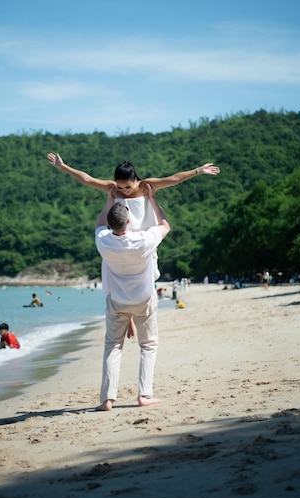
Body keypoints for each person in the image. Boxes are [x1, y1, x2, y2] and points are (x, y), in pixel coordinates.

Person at [47, 152, 220, 335]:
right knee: (121, 278)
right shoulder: (114, 189)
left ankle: (136, 315)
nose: (125, 190)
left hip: (144, 241)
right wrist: (63, 167)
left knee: (149, 276)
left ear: (135, 179)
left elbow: (174, 179)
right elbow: (88, 180)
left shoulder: (147, 186)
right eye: (121, 187)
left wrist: (198, 171)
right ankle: (128, 317)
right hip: (122, 240)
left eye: (127, 186)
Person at [95, 182, 171, 411]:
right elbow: (165, 225)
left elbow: (99, 223)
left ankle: (108, 399)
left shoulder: (103, 240)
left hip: (117, 301)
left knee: (112, 347)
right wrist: (153, 199)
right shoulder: (144, 240)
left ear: (111, 224)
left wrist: (110, 199)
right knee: (148, 346)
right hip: (143, 299)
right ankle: (144, 395)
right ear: (129, 222)